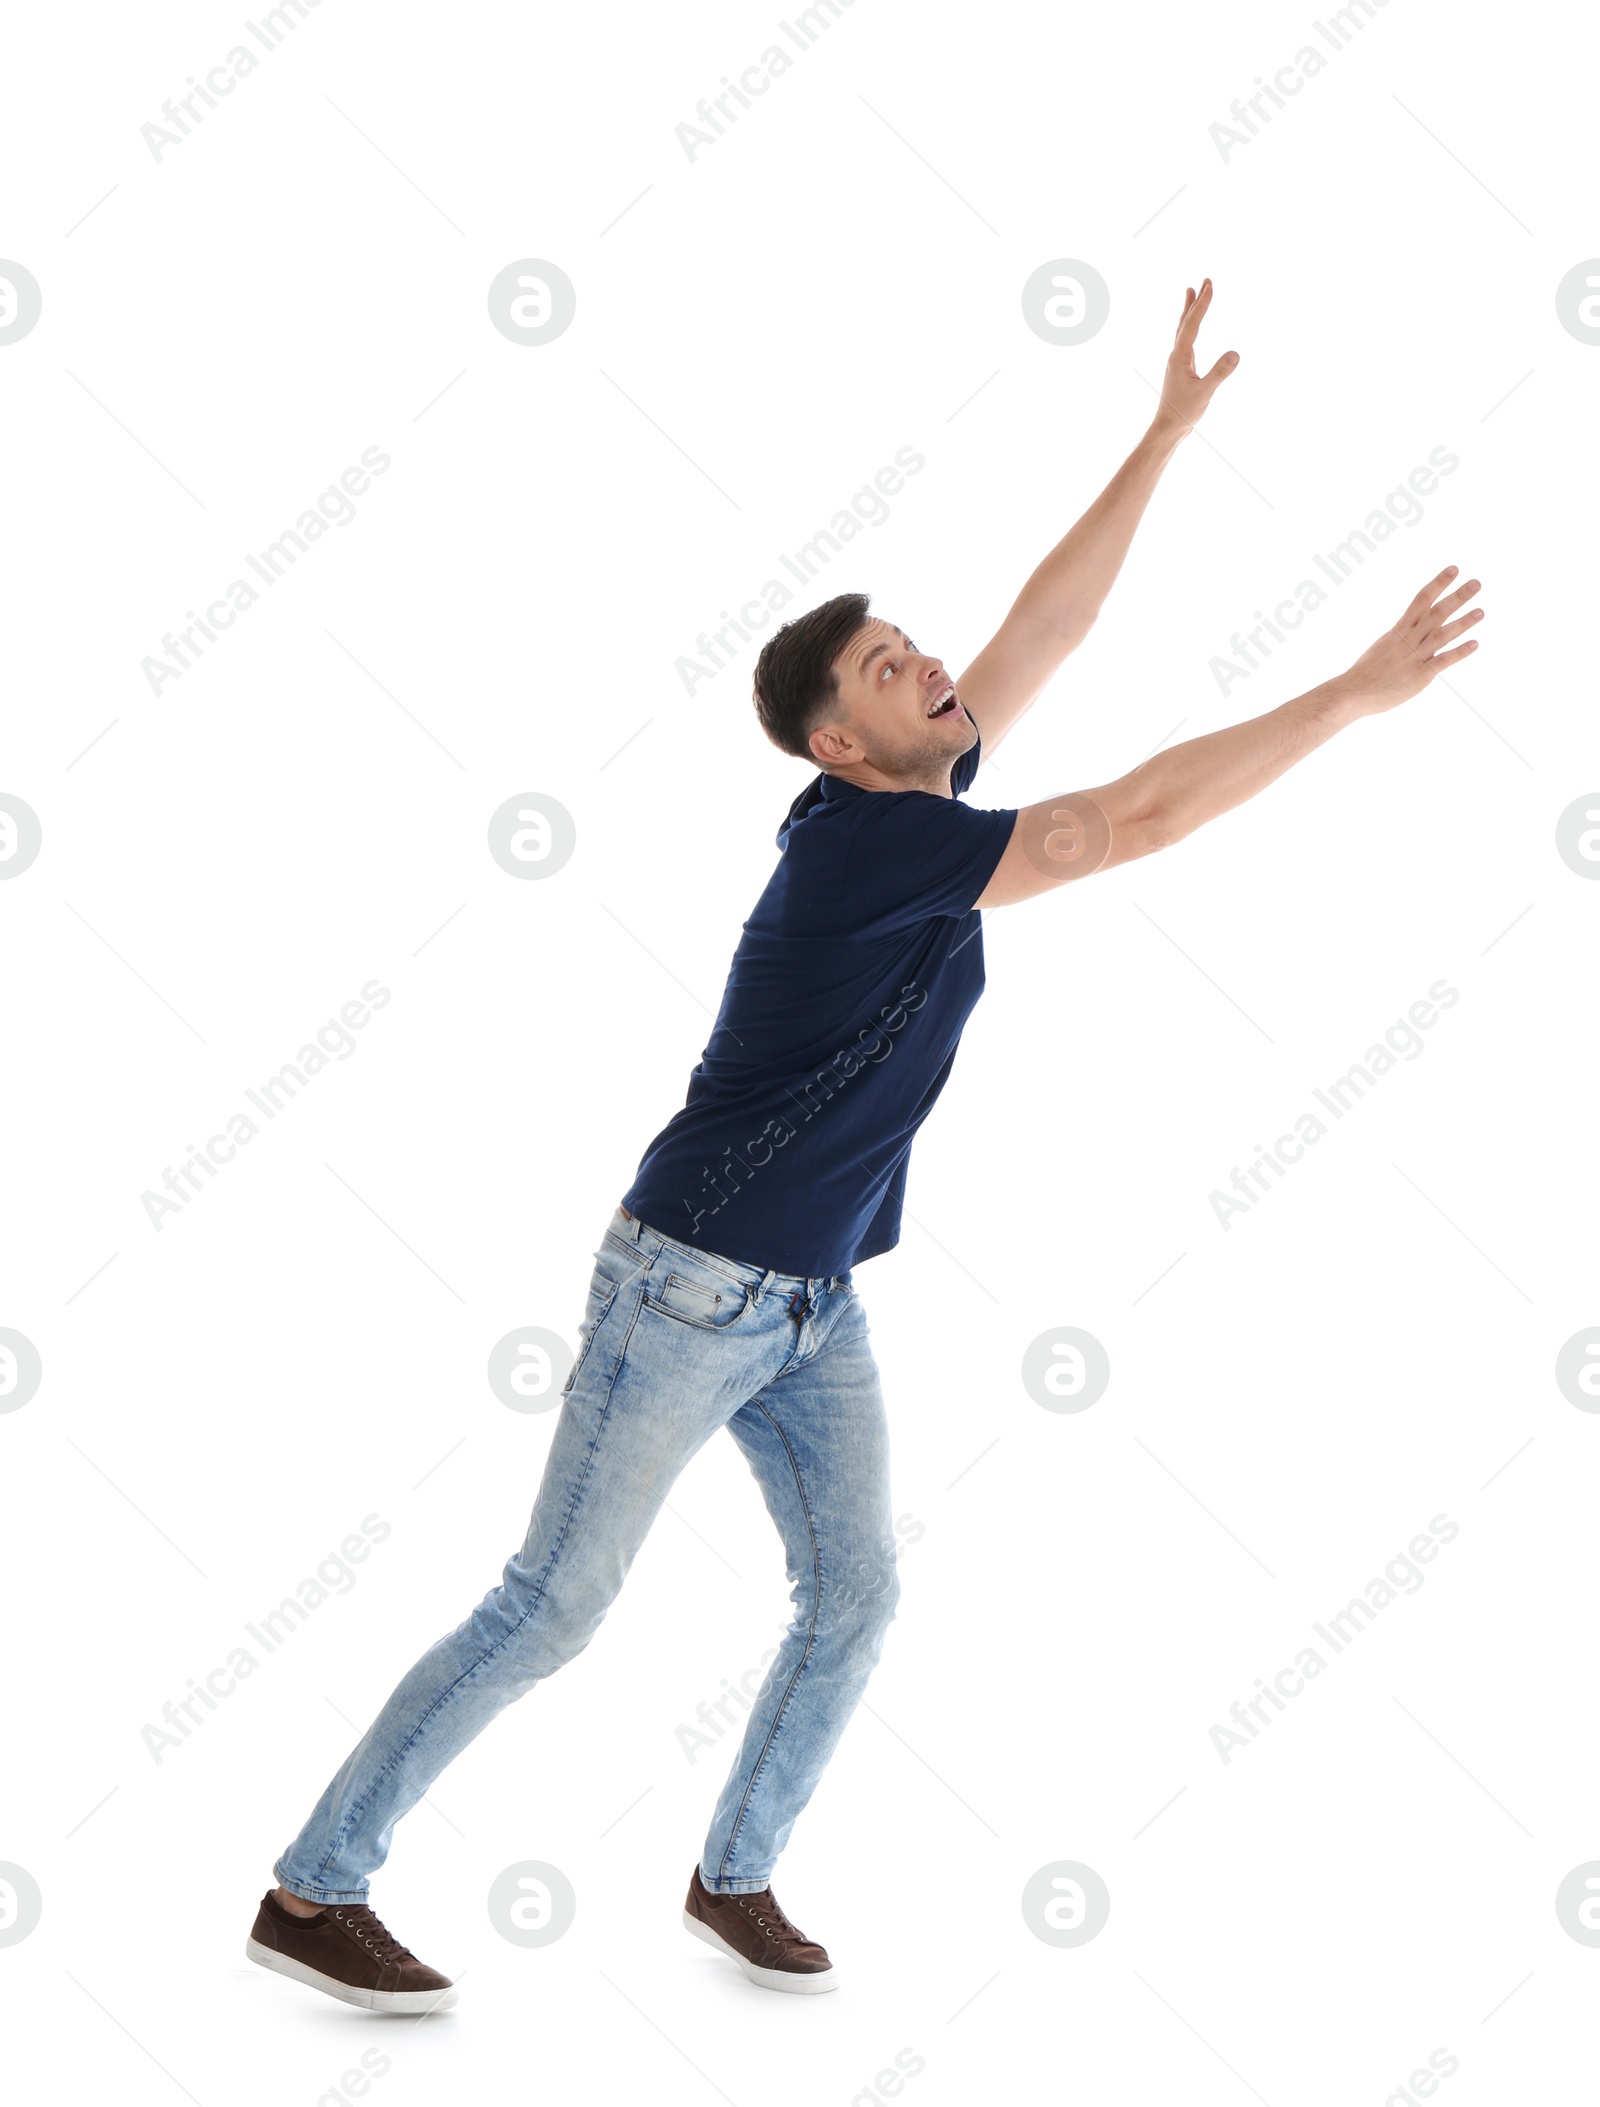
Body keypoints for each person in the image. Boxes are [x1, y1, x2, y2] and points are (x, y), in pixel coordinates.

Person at [247, 281, 1482, 2011]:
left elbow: (1037, 636)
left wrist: (1161, 441)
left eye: (918, 649)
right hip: (687, 1287)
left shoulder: (910, 804)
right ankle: (313, 1891)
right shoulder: (865, 855)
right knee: (554, 1608)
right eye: (894, 669)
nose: (935, 669)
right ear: (843, 740)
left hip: (812, 1300)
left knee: (856, 1594)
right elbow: (1128, 819)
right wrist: (1351, 694)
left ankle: (732, 1873)